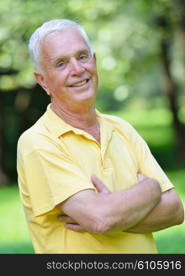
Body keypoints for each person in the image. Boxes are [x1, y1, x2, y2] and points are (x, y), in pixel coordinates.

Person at [17, 18, 184, 254]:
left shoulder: (122, 129)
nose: (77, 69)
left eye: (82, 57)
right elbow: (99, 218)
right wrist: (150, 191)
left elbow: (175, 210)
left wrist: (117, 212)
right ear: (43, 80)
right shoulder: (38, 142)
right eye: (61, 63)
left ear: (94, 62)